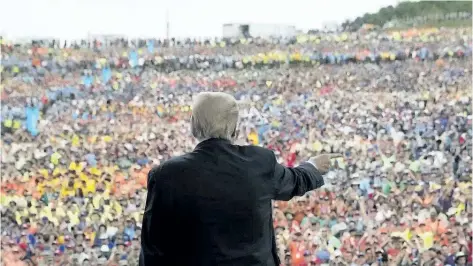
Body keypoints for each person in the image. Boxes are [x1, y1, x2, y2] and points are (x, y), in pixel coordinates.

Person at [139, 92, 341, 266]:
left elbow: (153, 248)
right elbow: (294, 181)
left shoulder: (165, 175)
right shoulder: (259, 162)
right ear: (234, 128)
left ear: (193, 125)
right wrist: (313, 166)